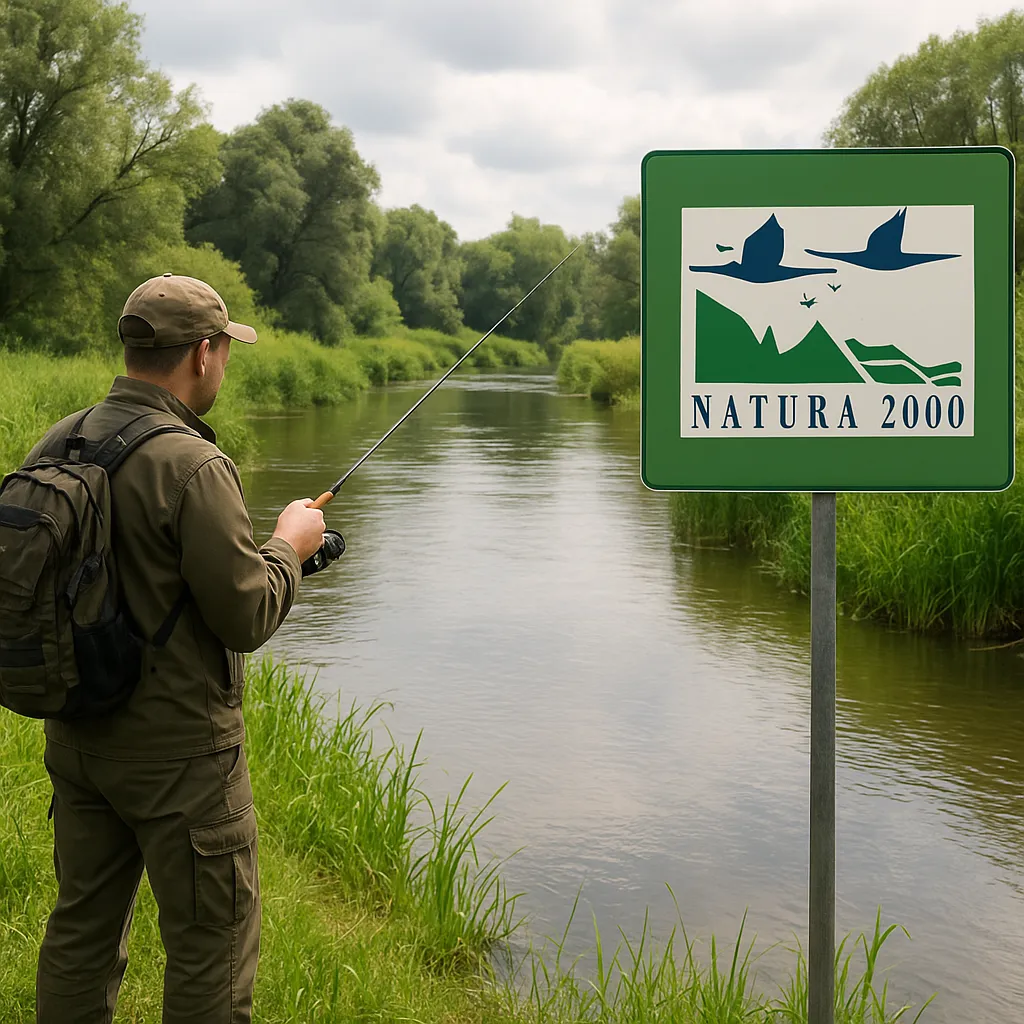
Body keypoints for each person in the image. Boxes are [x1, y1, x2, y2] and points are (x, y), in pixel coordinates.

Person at [28, 273, 327, 1023]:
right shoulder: (195, 464)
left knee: (81, 930)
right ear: (202, 352)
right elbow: (247, 616)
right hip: (183, 758)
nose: (224, 361)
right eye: (225, 348)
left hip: (77, 736)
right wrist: (291, 547)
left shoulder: (58, 440)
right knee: (210, 946)